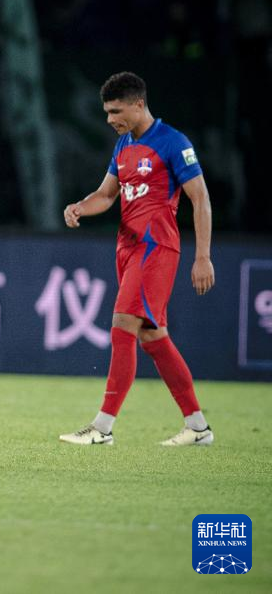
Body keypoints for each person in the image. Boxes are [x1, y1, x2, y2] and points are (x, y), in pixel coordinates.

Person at [59, 71, 215, 447]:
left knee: (123, 324)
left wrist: (203, 257)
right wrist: (80, 206)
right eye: (107, 112)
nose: (109, 119)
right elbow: (106, 195)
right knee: (153, 337)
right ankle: (198, 428)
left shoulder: (173, 142)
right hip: (128, 249)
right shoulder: (123, 146)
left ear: (139, 104)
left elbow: (200, 198)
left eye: (116, 111)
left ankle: (102, 428)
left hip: (155, 247)